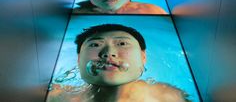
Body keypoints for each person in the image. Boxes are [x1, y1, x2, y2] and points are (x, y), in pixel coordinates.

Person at [47, 24, 191, 102]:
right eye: (95, 45)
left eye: (122, 43)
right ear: (78, 59)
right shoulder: (54, 95)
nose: (109, 53)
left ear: (143, 56)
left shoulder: (169, 97)